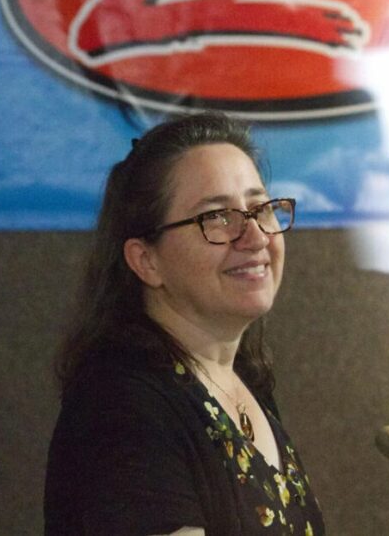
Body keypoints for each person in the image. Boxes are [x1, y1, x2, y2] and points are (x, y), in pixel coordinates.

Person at [44, 112, 324, 535]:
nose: (255, 237)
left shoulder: (240, 375)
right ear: (147, 261)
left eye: (260, 208)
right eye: (216, 218)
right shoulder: (121, 407)